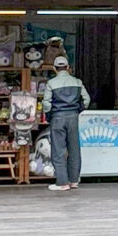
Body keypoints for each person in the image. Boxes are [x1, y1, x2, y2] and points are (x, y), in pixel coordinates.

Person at [41, 53, 91, 192]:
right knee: (74, 149)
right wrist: (78, 110)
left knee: (59, 150)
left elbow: (46, 103)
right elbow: (86, 100)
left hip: (57, 117)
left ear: (54, 68)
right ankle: (74, 180)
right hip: (73, 117)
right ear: (68, 67)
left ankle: (62, 182)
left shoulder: (51, 83)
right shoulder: (77, 82)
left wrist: (49, 115)